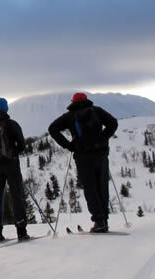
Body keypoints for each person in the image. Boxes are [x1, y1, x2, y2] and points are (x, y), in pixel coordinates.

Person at [48, 92, 118, 232]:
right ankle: (104, 219)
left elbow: (52, 129)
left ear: (73, 101)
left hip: (83, 156)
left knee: (90, 188)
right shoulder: (96, 111)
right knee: (102, 186)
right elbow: (113, 123)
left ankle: (99, 221)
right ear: (86, 100)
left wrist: (69, 145)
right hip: (101, 153)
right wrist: (103, 138)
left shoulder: (70, 116)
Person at [0, 98, 29, 243]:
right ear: (6, 108)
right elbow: (22, 144)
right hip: (11, 164)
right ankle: (21, 231)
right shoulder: (11, 124)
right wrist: (13, 151)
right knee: (17, 195)